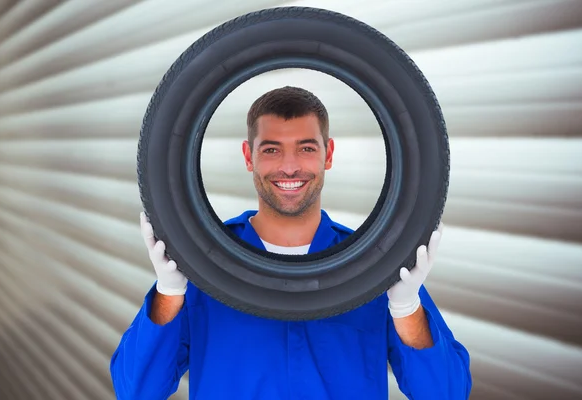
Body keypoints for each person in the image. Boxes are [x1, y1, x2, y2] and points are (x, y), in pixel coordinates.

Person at [110, 86, 472, 399]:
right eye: (271, 150)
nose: (289, 167)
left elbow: (447, 393)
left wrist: (407, 309)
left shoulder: (374, 263)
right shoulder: (204, 261)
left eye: (306, 148)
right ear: (248, 156)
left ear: (328, 154)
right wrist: (169, 293)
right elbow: (137, 391)